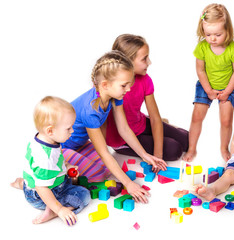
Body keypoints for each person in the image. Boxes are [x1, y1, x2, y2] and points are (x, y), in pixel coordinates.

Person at [61, 50, 167, 203]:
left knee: (105, 171)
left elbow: (124, 129)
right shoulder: (90, 110)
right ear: (105, 85)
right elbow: (104, 152)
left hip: (81, 144)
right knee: (98, 174)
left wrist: (145, 155)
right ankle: (32, 182)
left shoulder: (114, 96)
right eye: (124, 85)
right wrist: (128, 183)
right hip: (63, 148)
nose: (128, 89)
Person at [106, 34, 189, 161]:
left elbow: (155, 119)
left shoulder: (145, 79)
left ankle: (165, 125)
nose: (149, 62)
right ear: (127, 62)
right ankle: (164, 126)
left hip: (140, 123)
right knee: (174, 149)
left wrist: (158, 154)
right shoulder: (114, 88)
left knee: (187, 140)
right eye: (144, 59)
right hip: (122, 139)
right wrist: (156, 157)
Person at [11, 96, 90, 226]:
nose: (72, 131)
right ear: (50, 130)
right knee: (84, 195)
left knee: (39, 181)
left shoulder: (45, 139)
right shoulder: (45, 159)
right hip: (44, 194)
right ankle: (52, 211)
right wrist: (59, 209)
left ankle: (23, 183)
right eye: (68, 128)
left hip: (37, 184)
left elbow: (56, 158)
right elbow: (41, 187)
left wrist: (67, 165)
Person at [183, 3, 234, 162]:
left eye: (218, 34)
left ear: (227, 31)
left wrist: (228, 91)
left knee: (226, 120)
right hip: (205, 85)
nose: (213, 39)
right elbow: (200, 70)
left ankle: (224, 148)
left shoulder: (233, 49)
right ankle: (191, 148)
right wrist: (208, 90)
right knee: (197, 117)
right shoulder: (202, 47)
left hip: (228, 87)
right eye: (208, 34)